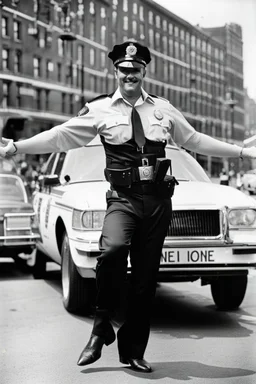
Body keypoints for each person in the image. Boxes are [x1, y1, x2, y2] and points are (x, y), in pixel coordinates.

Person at [1, 40, 256, 373]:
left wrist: (241, 152)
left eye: (135, 70)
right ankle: (103, 323)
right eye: (123, 70)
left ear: (144, 71)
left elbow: (193, 140)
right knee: (111, 251)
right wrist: (17, 147)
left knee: (145, 280)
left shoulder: (163, 109)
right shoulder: (99, 109)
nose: (129, 75)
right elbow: (59, 136)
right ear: (116, 71)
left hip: (158, 202)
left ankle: (132, 351)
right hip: (123, 200)